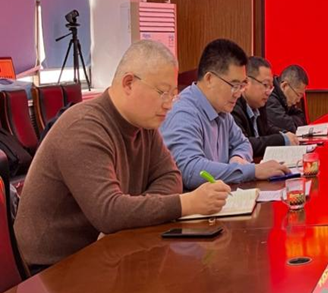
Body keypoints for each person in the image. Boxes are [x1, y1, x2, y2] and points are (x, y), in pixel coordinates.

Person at [13, 40, 230, 270]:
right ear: (129, 83)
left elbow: (170, 177)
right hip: (52, 268)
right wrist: (187, 203)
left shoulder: (143, 124)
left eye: (173, 94)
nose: (169, 104)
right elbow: (109, 212)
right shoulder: (84, 128)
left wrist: (132, 211)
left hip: (107, 251)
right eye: (162, 93)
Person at [161, 39, 289, 190]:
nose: (238, 93)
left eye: (242, 85)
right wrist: (252, 171)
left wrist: (238, 158)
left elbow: (243, 143)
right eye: (234, 85)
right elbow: (192, 170)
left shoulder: (222, 110)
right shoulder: (183, 113)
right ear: (209, 79)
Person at [232, 56, 299, 158]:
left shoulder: (259, 104)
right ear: (246, 82)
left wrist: (285, 134)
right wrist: (282, 139)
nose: (268, 92)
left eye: (270, 87)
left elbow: (267, 129)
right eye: (265, 85)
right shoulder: (233, 107)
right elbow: (246, 144)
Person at [265, 64, 309, 132]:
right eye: (298, 95)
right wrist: (292, 120)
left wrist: (290, 119)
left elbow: (302, 118)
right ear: (284, 86)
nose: (298, 100)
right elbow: (290, 128)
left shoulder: (285, 98)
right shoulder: (269, 98)